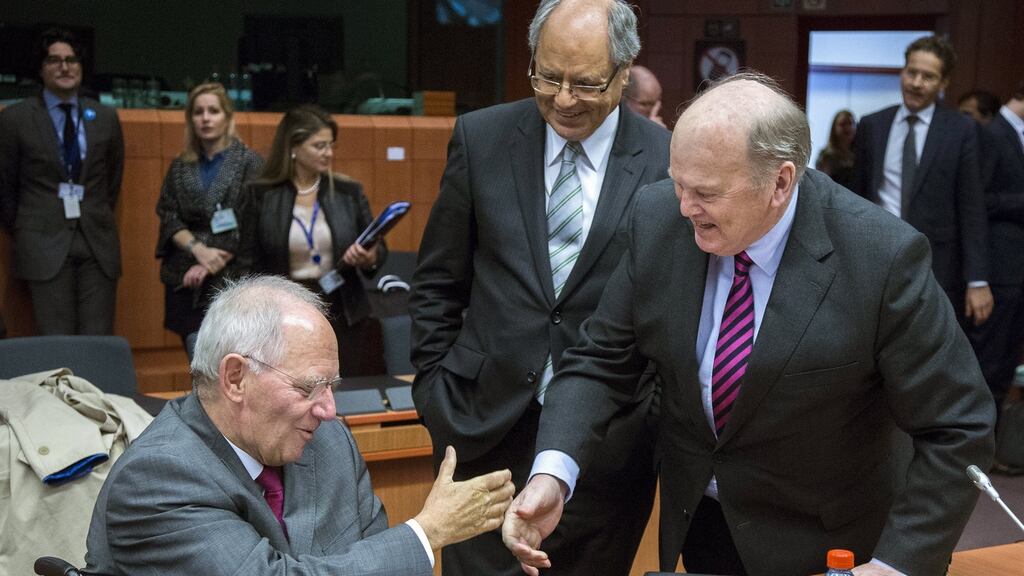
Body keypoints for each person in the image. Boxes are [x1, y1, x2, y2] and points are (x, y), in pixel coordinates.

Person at [502, 72, 995, 576]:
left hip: (833, 545)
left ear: (780, 182)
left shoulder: (881, 256)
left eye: (706, 193)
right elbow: (601, 362)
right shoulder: (657, 219)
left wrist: (896, 565)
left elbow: (957, 426)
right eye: (678, 183)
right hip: (705, 523)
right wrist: (553, 473)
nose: (684, 208)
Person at [410, 0, 670, 574]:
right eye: (547, 77)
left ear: (624, 73)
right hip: (480, 428)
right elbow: (437, 280)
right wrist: (434, 392)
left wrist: (646, 414)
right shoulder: (481, 138)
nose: (564, 99)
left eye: (585, 83)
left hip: (606, 446)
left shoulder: (665, 161)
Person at [84, 275, 515, 575]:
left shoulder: (328, 443)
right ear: (235, 378)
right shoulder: (156, 480)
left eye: (331, 386)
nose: (328, 409)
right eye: (309, 387)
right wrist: (429, 531)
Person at [852, 35, 992, 328]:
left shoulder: (961, 130)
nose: (916, 83)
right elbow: (857, 197)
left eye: (928, 77)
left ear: (943, 84)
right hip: (874, 258)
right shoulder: (872, 125)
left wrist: (977, 278)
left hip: (937, 263)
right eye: (911, 72)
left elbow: (972, 206)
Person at [243, 105, 384, 377]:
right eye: (319, 146)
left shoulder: (347, 192)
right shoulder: (261, 195)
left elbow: (377, 249)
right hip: (283, 312)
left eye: (331, 145)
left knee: (342, 391)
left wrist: (370, 257)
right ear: (293, 147)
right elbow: (247, 262)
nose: (329, 153)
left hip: (342, 308)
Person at [0, 27, 124, 335]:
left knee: (98, 339)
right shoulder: (15, 119)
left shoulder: (105, 116)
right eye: (54, 60)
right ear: (41, 69)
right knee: (57, 341)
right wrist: (25, 227)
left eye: (71, 60)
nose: (65, 67)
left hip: (96, 241)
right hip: (42, 242)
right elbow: (5, 186)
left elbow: (112, 179)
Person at [155, 82, 263, 347]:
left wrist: (210, 261)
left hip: (232, 273)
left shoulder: (249, 162)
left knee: (228, 357)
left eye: (213, 111)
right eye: (198, 112)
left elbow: (251, 222)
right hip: (185, 272)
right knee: (195, 358)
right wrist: (198, 251)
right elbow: (169, 215)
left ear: (227, 116)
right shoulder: (181, 165)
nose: (205, 118)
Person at [968, 81, 1024, 411]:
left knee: (1005, 365)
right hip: (998, 270)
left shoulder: (1014, 135)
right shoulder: (991, 133)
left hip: (1015, 272)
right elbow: (979, 199)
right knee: (989, 366)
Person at [815, 109, 856, 190]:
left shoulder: (860, 154)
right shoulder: (827, 156)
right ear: (834, 128)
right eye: (843, 124)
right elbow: (823, 185)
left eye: (850, 124)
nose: (848, 128)